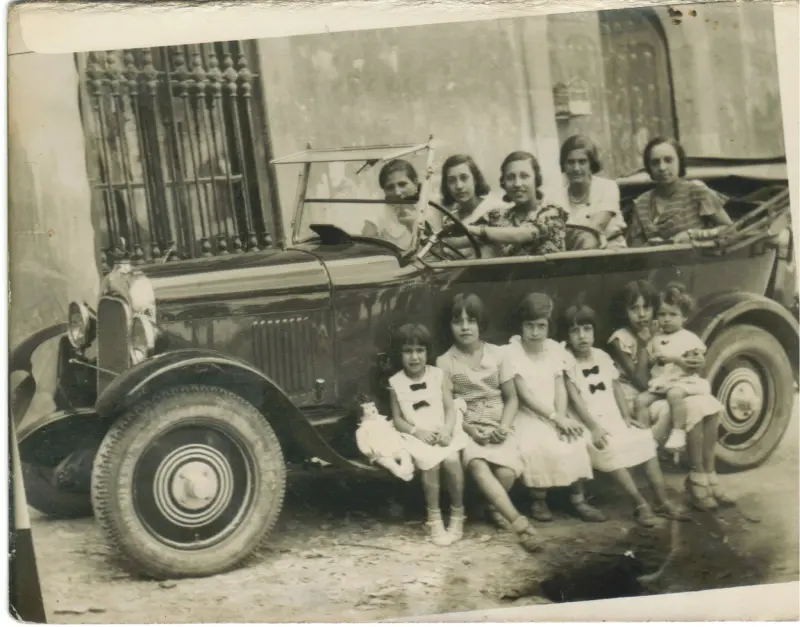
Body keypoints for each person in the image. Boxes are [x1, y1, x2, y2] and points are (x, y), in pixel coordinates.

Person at [608, 282, 734, 512]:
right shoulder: (623, 338)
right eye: (634, 309)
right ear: (624, 312)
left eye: (646, 308)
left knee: (710, 405)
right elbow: (641, 381)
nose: (642, 314)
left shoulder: (659, 331)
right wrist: (653, 350)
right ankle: (696, 481)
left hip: (662, 389)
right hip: (640, 393)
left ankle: (708, 475)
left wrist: (693, 363)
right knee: (692, 408)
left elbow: (682, 353)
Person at [560, 303, 688, 527]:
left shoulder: (601, 356)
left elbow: (616, 387)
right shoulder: (566, 362)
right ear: (567, 335)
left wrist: (626, 417)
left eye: (587, 329)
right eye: (575, 331)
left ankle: (661, 500)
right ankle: (640, 504)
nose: (582, 336)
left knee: (644, 440)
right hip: (589, 422)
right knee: (610, 448)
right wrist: (594, 427)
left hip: (612, 416)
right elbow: (575, 399)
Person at [436, 293, 541, 552]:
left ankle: (492, 507)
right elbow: (448, 407)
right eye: (457, 321)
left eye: (471, 320)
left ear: (480, 323)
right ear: (449, 326)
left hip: (500, 424)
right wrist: (470, 429)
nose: (464, 327)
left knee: (506, 472)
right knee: (479, 465)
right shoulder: (444, 362)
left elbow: (512, 398)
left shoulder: (498, 354)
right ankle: (520, 524)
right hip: (468, 426)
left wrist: (503, 427)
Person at [502, 293, 606, 523]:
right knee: (538, 445)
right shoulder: (512, 352)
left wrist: (561, 417)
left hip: (556, 411)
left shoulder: (555, 350)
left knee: (574, 438)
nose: (535, 332)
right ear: (521, 326)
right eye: (529, 326)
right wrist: (553, 417)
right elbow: (524, 395)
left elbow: (560, 386)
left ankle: (578, 499)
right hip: (528, 414)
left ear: (549, 326)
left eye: (541, 326)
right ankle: (539, 499)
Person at [635, 284, 723, 454]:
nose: (666, 319)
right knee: (640, 400)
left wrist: (675, 359)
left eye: (673, 314)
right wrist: (653, 359)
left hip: (684, 382)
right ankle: (644, 436)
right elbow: (650, 361)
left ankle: (678, 432)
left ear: (684, 318)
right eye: (662, 314)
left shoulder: (688, 338)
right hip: (662, 382)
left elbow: (698, 363)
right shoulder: (656, 338)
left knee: (674, 394)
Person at [629, 137, 733, 246]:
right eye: (655, 163)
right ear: (649, 168)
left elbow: (730, 230)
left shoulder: (696, 191)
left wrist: (693, 234)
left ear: (680, 161)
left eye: (668, 160)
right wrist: (650, 246)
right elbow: (637, 249)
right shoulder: (641, 203)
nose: (662, 167)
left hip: (697, 260)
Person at [465, 151, 569, 256]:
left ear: (536, 180)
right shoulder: (497, 216)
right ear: (503, 183)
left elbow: (523, 234)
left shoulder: (551, 212)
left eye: (524, 176)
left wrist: (480, 231)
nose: (517, 184)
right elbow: (463, 238)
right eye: (510, 178)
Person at [558, 135, 627, 249]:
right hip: (573, 255)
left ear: (591, 164)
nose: (576, 168)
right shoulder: (557, 197)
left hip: (612, 251)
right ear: (564, 166)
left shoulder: (607, 187)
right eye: (570, 162)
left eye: (582, 162)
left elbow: (595, 227)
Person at [437, 154, 511, 258]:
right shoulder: (449, 220)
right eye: (452, 180)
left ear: (475, 179)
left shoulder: (495, 208)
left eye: (464, 178)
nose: (459, 186)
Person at [363, 159, 422, 249]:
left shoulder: (431, 208)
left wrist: (413, 226)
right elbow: (364, 246)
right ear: (384, 191)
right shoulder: (378, 212)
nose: (397, 192)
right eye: (390, 187)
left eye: (402, 184)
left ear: (415, 183)